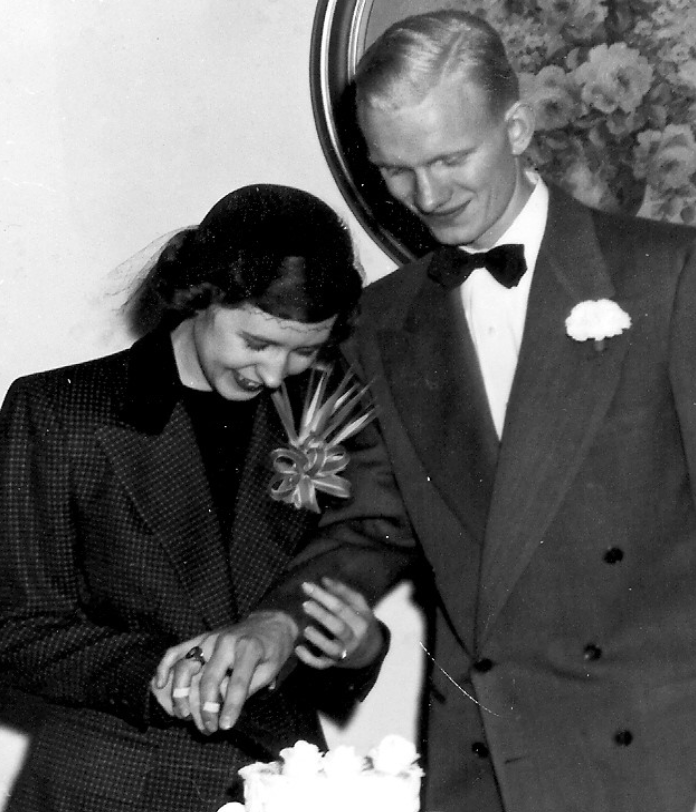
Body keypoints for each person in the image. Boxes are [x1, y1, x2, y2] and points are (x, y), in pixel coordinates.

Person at [159, 10, 696, 812]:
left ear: (516, 127)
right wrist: (273, 625)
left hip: (654, 754)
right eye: (397, 170)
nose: (429, 196)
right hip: (482, 764)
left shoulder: (669, 276)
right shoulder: (381, 321)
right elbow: (369, 525)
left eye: (450, 158)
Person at [0, 184, 388, 812]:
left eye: (304, 352)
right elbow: (14, 628)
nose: (273, 374)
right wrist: (160, 673)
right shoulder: (59, 411)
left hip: (282, 782)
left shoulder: (323, 420)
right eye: (256, 343)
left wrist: (360, 648)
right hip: (107, 787)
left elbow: (323, 586)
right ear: (198, 298)